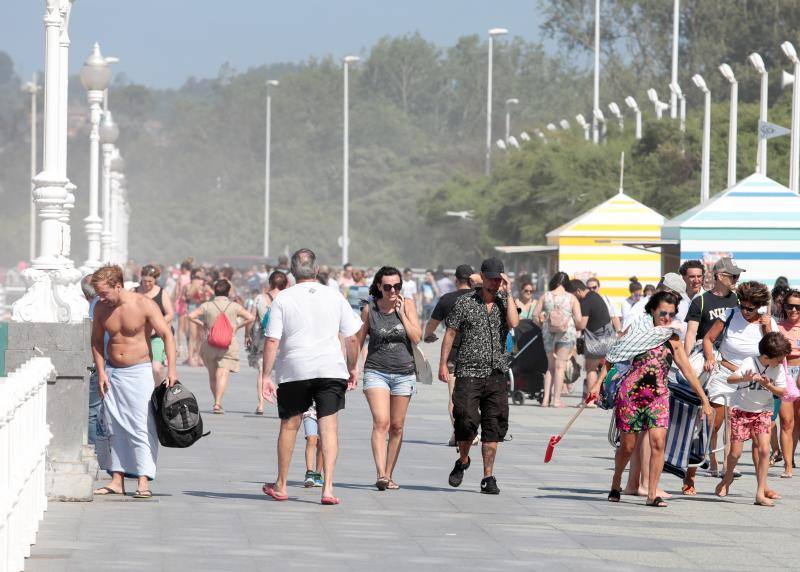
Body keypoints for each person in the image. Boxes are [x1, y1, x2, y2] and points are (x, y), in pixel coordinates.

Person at [260, 249, 361, 505]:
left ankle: (281, 484)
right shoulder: (335, 296)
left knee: (290, 425)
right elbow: (351, 338)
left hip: (295, 369)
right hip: (331, 369)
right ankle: (327, 488)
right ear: (316, 270)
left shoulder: (283, 298)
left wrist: (266, 376)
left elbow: (272, 340)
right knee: (329, 426)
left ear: (292, 272)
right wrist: (353, 367)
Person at [596, 291, 712, 508]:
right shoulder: (637, 331)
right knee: (627, 447)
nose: (667, 318)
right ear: (652, 310)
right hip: (631, 396)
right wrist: (597, 385)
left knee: (658, 443)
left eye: (671, 314)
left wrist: (704, 399)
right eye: (663, 313)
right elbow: (613, 357)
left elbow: (687, 370)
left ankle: (652, 493)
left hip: (658, 397)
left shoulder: (672, 339)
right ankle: (616, 481)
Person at [90, 265, 177, 499]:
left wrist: (172, 370)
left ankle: (143, 480)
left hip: (139, 372)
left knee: (141, 425)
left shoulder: (143, 304)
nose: (101, 298)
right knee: (113, 426)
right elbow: (96, 340)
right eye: (98, 294)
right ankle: (117, 480)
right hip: (112, 372)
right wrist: (101, 372)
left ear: (118, 286)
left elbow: (167, 335)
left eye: (104, 292)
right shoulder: (100, 308)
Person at [439, 257, 519, 495]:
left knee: (493, 425)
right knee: (465, 420)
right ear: (482, 277)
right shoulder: (465, 302)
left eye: (498, 279)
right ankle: (463, 460)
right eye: (491, 279)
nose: (495, 283)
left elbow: (514, 322)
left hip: (496, 373)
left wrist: (509, 292)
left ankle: (488, 477)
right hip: (468, 372)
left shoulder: (505, 302)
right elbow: (450, 333)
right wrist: (443, 363)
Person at [356, 266, 422, 490]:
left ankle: (389, 473)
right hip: (376, 371)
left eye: (397, 286)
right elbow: (358, 340)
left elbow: (417, 337)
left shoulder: (408, 305)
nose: (393, 291)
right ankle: (381, 474)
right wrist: (351, 369)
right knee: (381, 422)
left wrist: (402, 314)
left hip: (404, 373)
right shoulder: (370, 309)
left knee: (397, 427)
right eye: (387, 287)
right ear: (379, 286)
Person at [702, 281, 775, 479]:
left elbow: (773, 351)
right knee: (715, 422)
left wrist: (767, 328)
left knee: (736, 423)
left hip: (751, 381)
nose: (744, 311)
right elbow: (708, 339)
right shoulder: (729, 314)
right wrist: (710, 358)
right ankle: (712, 460)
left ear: (759, 306)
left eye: (750, 308)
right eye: (742, 305)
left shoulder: (767, 322)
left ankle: (729, 465)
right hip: (725, 373)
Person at [716, 333, 791, 506]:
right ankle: (727, 478)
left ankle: (760, 492)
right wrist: (745, 378)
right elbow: (730, 379)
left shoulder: (778, 369)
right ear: (766, 357)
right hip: (741, 410)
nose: (781, 361)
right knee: (735, 453)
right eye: (779, 359)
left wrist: (768, 385)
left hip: (763, 411)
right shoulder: (750, 362)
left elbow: (783, 392)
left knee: (764, 450)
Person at [424, 264, 475, 446]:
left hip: (453, 353)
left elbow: (431, 325)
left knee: (454, 396)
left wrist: (428, 336)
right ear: (472, 279)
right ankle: (465, 433)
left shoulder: (447, 299)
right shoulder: (480, 298)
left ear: (455, 280)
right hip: (476, 353)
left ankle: (460, 433)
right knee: (473, 396)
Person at [189, 279, 255, 414]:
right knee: (223, 372)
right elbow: (251, 317)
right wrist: (237, 326)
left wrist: (203, 325)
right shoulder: (234, 306)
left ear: (214, 291)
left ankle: (216, 401)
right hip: (228, 344)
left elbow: (191, 316)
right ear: (228, 292)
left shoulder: (207, 305)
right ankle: (218, 403)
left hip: (209, 343)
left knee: (212, 376)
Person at [532, 271, 583, 408]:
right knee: (560, 366)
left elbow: (534, 315)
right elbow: (579, 319)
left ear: (554, 281)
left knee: (550, 367)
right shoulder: (571, 298)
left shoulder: (545, 296)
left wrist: (543, 325)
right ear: (567, 284)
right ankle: (557, 400)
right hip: (566, 334)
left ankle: (545, 400)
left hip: (548, 332)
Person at [247, 271, 289, 414]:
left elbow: (251, 318)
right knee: (284, 373)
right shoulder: (288, 298)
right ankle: (284, 404)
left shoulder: (259, 298)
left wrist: (247, 334)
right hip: (283, 339)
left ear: (270, 283)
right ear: (285, 284)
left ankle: (261, 404)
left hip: (263, 339)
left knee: (262, 371)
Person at [684, 257, 742, 353]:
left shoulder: (738, 300)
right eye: (734, 276)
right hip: (707, 354)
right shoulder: (700, 301)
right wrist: (686, 359)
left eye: (738, 276)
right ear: (720, 276)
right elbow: (691, 334)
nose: (736, 280)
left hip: (731, 355)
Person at [571, 279, 613, 404]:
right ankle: (595, 398)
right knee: (600, 369)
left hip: (597, 339)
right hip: (607, 336)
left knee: (591, 369)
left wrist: (570, 323)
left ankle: (590, 401)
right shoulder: (595, 296)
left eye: (573, 295)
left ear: (578, 291)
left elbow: (581, 325)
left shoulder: (586, 301)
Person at [134, 264, 175, 384]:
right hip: (139, 336)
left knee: (156, 368)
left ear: (155, 280)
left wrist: (156, 325)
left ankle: (158, 389)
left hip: (157, 336)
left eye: (150, 281)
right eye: (144, 281)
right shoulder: (134, 292)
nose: (146, 284)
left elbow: (170, 314)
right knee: (139, 368)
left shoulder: (161, 293)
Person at [777, 289, 800, 478]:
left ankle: (791, 457)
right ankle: (788, 465)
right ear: (783, 306)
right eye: (790, 306)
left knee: (798, 419)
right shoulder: (776, 326)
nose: (793, 310)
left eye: (798, 307)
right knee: (786, 421)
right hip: (783, 374)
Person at [184, 267, 213, 367]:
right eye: (197, 277)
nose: (200, 279)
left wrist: (205, 292)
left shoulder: (205, 286)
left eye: (201, 277)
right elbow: (188, 296)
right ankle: (190, 357)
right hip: (193, 309)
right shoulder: (189, 286)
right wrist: (195, 287)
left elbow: (209, 297)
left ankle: (199, 356)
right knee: (193, 335)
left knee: (201, 335)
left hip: (203, 309)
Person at [173, 258, 193, 359]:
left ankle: (180, 347)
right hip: (191, 303)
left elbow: (177, 292)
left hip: (181, 303)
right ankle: (190, 348)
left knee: (180, 327)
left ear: (184, 268)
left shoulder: (181, 277)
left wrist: (173, 302)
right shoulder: (193, 277)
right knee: (189, 327)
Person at [302, 406, 324, 488]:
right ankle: (309, 473)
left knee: (321, 443)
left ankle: (317, 474)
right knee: (311, 439)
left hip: (325, 413)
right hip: (309, 412)